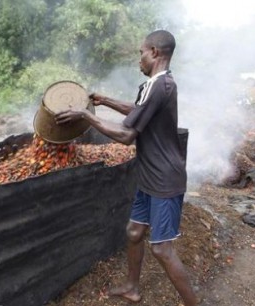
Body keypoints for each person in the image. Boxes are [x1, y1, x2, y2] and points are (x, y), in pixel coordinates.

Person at [55, 30, 197, 306]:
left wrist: (84, 115)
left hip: (165, 179)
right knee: (134, 232)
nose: (139, 59)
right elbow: (137, 110)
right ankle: (132, 288)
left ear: (155, 52)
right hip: (149, 176)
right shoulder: (152, 85)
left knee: (162, 249)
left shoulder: (162, 86)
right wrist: (105, 100)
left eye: (141, 52)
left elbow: (126, 135)